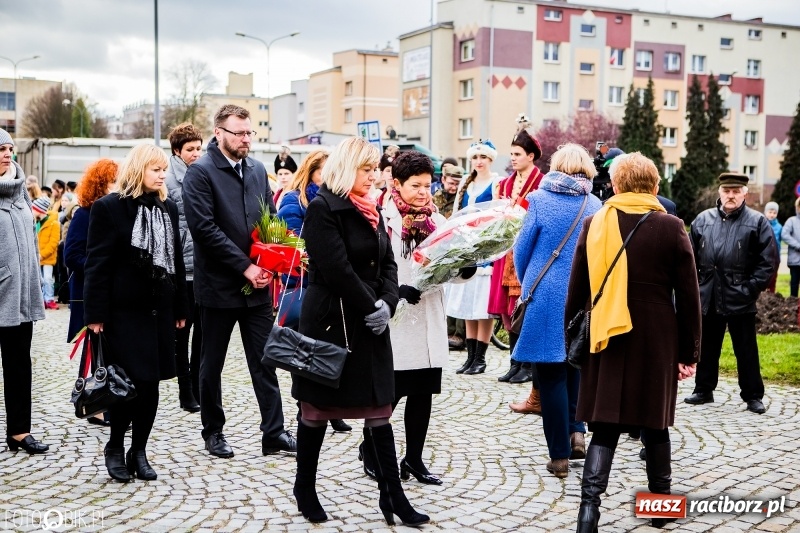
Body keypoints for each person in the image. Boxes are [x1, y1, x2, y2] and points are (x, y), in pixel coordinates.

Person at [291, 137, 428, 526]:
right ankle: (305, 488)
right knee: (316, 412)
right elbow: (336, 270)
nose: (373, 176)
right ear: (347, 167)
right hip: (332, 325)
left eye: (374, 169)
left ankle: (393, 497)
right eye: (366, 169)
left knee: (379, 411)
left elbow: (387, 264)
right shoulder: (322, 208)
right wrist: (374, 306)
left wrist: (388, 303)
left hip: (369, 326)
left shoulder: (372, 209)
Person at [565, 152, 702, 532]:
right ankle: (660, 510)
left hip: (606, 336)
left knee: (604, 426)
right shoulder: (672, 227)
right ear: (655, 187)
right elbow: (690, 298)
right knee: (655, 425)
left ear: (617, 185)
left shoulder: (596, 224)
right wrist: (689, 352)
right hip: (656, 337)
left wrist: (572, 339)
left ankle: (588, 512)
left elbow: (577, 291)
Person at [183, 104, 295, 458]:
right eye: (239, 133)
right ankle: (213, 431)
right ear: (219, 133)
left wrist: (272, 262)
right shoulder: (200, 173)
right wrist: (246, 267)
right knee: (210, 364)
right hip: (218, 286)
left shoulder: (258, 169)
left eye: (250, 133)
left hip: (257, 286)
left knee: (266, 360)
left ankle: (273, 432)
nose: (246, 139)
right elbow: (204, 230)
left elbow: (271, 220)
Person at [83, 144, 188, 482]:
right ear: (138, 170)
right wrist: (95, 313)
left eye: (163, 170)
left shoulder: (167, 207)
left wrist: (181, 306)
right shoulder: (109, 208)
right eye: (154, 169)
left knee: (152, 385)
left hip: (159, 310)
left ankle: (138, 450)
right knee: (127, 384)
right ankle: (115, 446)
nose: (162, 174)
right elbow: (96, 265)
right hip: (123, 313)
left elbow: (175, 262)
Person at [512, 143, 601, 478]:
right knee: (574, 363)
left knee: (549, 374)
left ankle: (559, 456)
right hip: (583, 295)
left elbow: (521, 251)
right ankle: (577, 432)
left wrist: (529, 283)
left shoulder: (538, 200)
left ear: (558, 166)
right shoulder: (595, 204)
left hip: (546, 294)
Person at [362, 150, 448, 486]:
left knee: (422, 394)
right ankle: (370, 450)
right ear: (396, 183)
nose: (424, 192)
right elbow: (371, 266)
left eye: (428, 185)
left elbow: (448, 266)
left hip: (428, 316)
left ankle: (413, 459)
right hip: (397, 319)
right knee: (389, 394)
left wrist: (465, 268)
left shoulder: (437, 221)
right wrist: (395, 290)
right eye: (416, 185)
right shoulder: (381, 219)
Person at [685, 173, 776, 414]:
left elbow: (767, 262)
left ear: (745, 193)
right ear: (720, 192)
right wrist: (697, 286)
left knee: (746, 349)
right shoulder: (702, 220)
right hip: (709, 294)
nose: (731, 195)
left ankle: (753, 395)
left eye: (736, 191)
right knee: (707, 347)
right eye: (727, 191)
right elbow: (689, 258)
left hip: (740, 297)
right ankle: (703, 389)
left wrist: (750, 289)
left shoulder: (757, 222)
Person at [276, 149, 352, 434]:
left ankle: (330, 407)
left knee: (333, 349)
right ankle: (305, 411)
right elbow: (293, 249)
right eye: (324, 170)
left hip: (332, 289)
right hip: (303, 288)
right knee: (305, 354)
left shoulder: (337, 198)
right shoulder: (294, 200)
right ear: (312, 171)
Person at [0, 128, 49, 455]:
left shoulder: (21, 194)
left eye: (9, 148)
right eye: (0, 149)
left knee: (19, 365)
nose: (6, 153)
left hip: (19, 295)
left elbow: (30, 244)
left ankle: (19, 431)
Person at [492, 119, 545, 386]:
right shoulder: (504, 184)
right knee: (508, 309)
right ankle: (514, 362)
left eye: (517, 154)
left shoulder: (542, 183)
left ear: (531, 156)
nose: (512, 158)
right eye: (511, 154)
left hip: (529, 251)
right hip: (507, 251)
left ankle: (527, 364)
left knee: (522, 306)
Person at [446, 139, 499, 375]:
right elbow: (458, 213)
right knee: (468, 303)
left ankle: (480, 357)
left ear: (490, 160)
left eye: (483, 158)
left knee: (481, 306)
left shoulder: (496, 183)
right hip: (467, 246)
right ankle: (469, 357)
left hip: (485, 248)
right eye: (475, 158)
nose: (479, 162)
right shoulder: (466, 185)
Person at [165, 122, 203, 414]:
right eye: (190, 149)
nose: (195, 153)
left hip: (203, 265)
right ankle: (185, 389)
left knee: (203, 332)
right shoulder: (167, 179)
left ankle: (201, 387)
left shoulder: (203, 174)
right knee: (182, 331)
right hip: (181, 267)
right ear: (177, 151)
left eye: (199, 148)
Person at [65, 159, 119, 342]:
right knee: (95, 352)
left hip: (113, 291)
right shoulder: (84, 214)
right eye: (113, 181)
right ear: (100, 184)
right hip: (88, 290)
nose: (118, 186)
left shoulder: (117, 211)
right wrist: (100, 267)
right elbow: (71, 256)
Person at [31, 196, 60, 310]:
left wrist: (42, 254)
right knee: (39, 279)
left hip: (47, 257)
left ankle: (49, 299)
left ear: (39, 210)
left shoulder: (54, 224)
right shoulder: (36, 223)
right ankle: (41, 300)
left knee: (48, 279)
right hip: (37, 257)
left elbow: (53, 243)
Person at [782, 197, 800, 297]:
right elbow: (784, 235)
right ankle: (793, 307)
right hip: (795, 261)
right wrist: (798, 245)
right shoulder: (791, 221)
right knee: (794, 285)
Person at [764, 202, 782, 293]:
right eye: (770, 212)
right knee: (763, 277)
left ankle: (772, 295)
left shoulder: (779, 227)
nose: (772, 215)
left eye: (774, 213)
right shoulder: (762, 225)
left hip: (775, 257)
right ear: (766, 212)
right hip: (764, 256)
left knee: (773, 278)